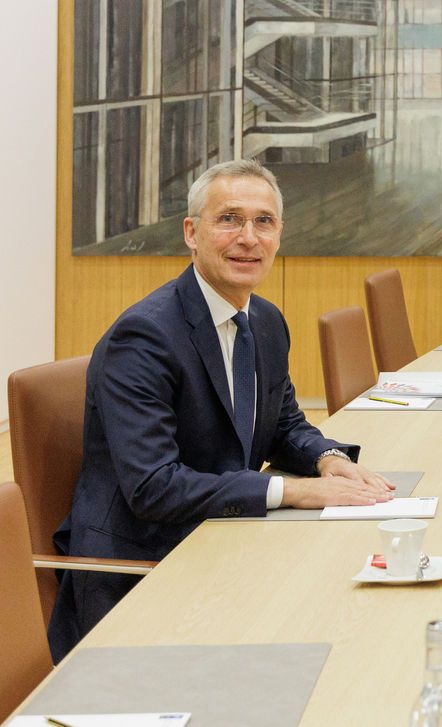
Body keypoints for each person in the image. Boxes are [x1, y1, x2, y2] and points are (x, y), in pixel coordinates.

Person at [48, 160, 394, 660]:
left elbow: (283, 424)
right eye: (229, 219)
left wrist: (327, 458)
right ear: (192, 233)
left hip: (225, 539)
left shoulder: (265, 320)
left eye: (263, 221)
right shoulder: (144, 337)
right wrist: (294, 491)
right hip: (144, 569)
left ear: (278, 235)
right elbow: (153, 487)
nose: (248, 238)